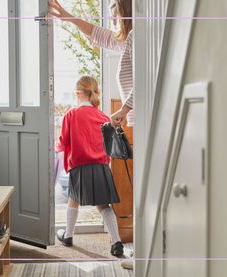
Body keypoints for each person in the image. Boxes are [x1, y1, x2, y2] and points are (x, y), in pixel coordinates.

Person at [55, 76, 124, 257]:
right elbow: (108, 145)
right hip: (101, 166)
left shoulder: (71, 114)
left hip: (80, 165)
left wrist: (55, 149)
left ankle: (68, 236)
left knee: (73, 198)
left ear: (78, 93)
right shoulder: (103, 116)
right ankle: (117, 241)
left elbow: (62, 141)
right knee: (103, 204)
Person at [49, 0, 134, 128]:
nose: (113, 21)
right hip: (137, 116)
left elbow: (142, 79)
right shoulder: (128, 40)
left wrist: (124, 109)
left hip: (143, 115)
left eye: (114, 16)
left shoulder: (135, 37)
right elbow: (97, 34)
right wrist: (70, 18)